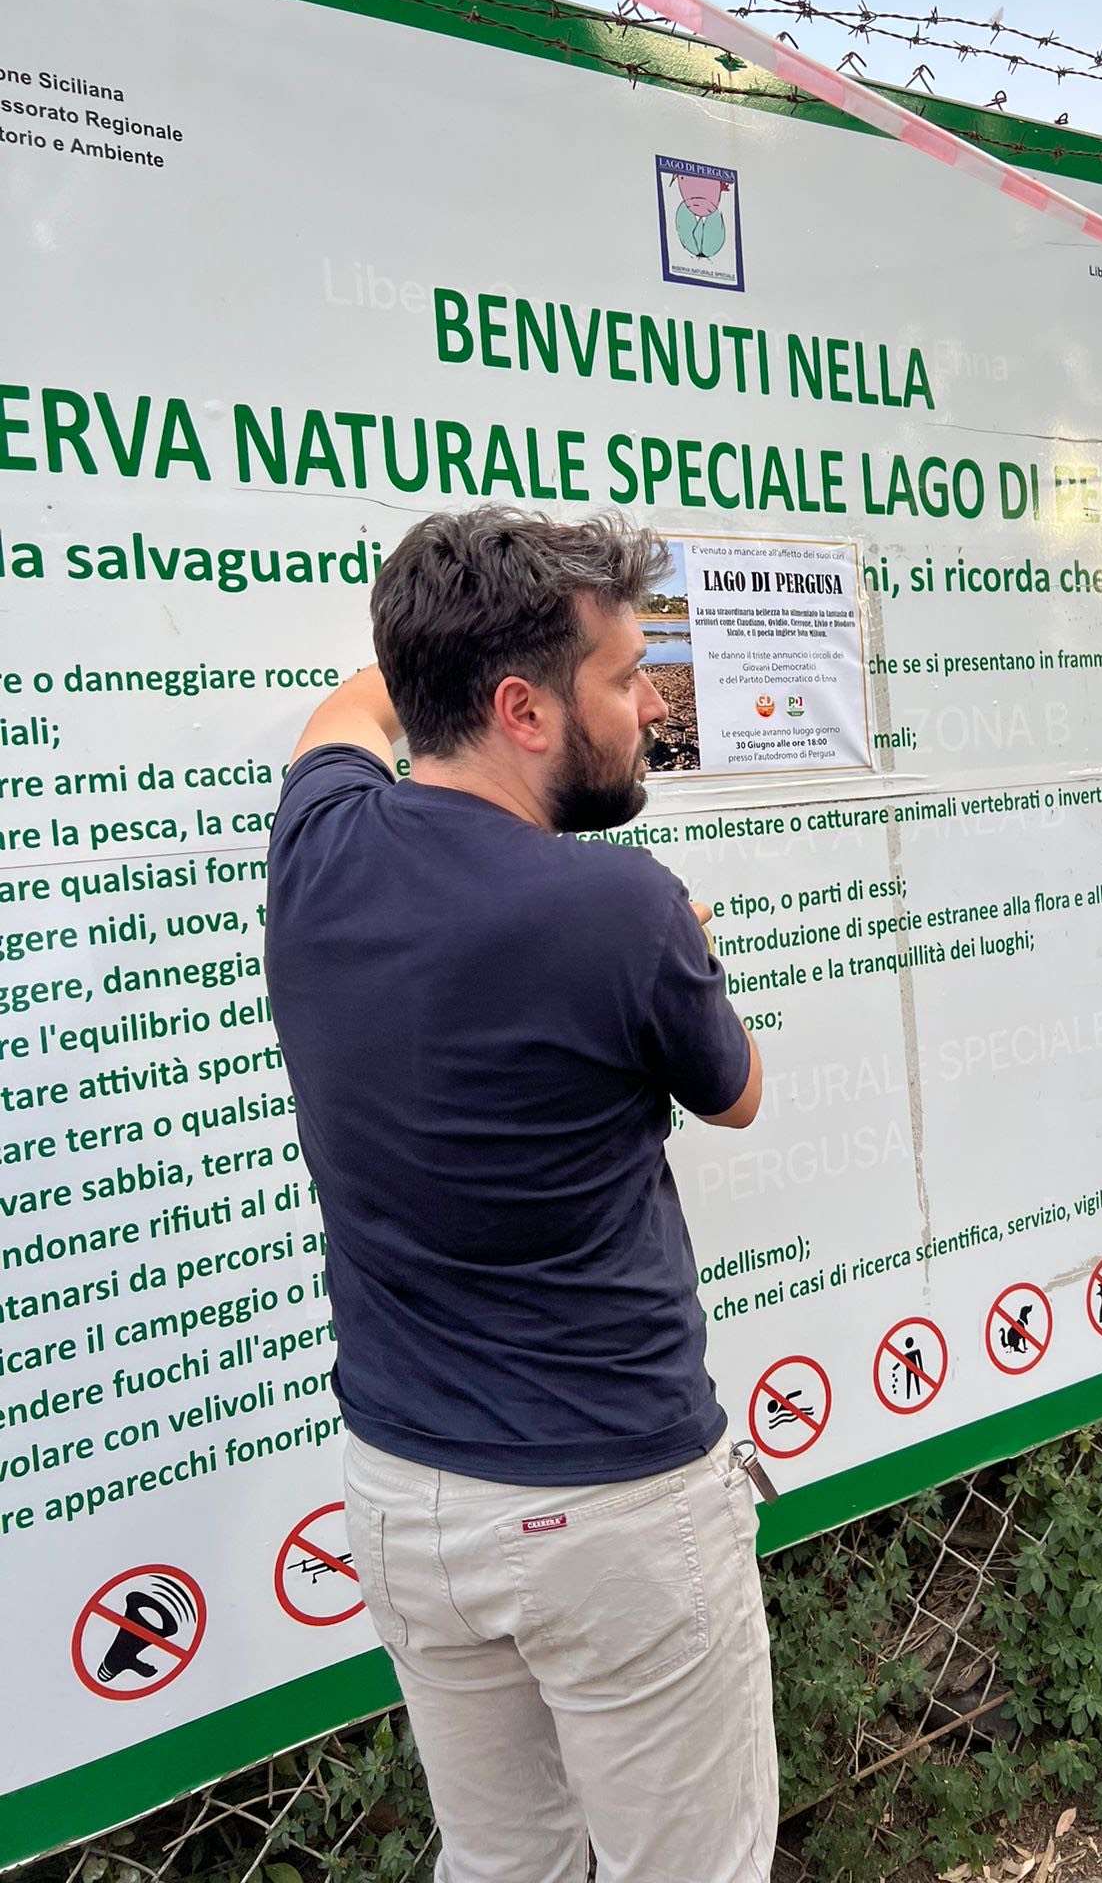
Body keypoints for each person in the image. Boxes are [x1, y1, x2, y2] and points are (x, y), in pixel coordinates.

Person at [264, 506, 775, 1883]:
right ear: (522, 707)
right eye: (619, 677)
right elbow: (735, 1093)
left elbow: (344, 711)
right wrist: (682, 963)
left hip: (406, 1499)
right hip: (609, 1509)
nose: (651, 703)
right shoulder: (622, 911)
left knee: (502, 1867)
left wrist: (443, 628)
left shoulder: (317, 850)